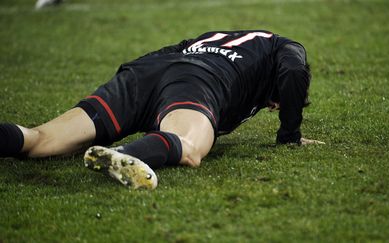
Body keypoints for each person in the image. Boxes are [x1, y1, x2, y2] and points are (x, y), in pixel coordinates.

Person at [0, 30, 324, 190]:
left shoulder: (221, 38)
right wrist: (289, 135)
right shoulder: (286, 47)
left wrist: (128, 89)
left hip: (143, 75)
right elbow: (295, 73)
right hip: (196, 82)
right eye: (275, 104)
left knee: (40, 139)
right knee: (189, 145)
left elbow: (169, 52)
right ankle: (126, 153)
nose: (270, 107)